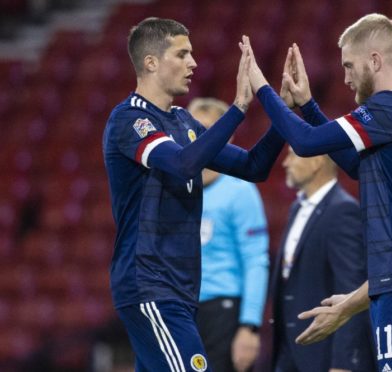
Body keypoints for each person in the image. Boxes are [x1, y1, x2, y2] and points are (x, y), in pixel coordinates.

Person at [243, 12, 392, 372]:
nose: (344, 77)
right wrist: (308, 106)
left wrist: (262, 89)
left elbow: (306, 143)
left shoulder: (391, 106)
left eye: (349, 65)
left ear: (375, 59)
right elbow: (360, 166)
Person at [102, 17, 284, 372]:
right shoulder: (129, 120)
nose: (193, 63)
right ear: (151, 62)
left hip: (181, 290)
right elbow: (184, 164)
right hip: (150, 284)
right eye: (182, 54)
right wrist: (238, 108)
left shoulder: (183, 122)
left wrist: (283, 111)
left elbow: (253, 167)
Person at [270, 146, 376, 372]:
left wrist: (344, 363)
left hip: (323, 356)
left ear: (317, 161)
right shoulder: (296, 207)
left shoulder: (343, 210)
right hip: (290, 351)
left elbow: (351, 289)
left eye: (291, 155)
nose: (285, 163)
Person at [187, 98, 269, 372]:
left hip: (223, 312)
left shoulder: (240, 191)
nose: (198, 137)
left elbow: (256, 260)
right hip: (183, 311)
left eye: (208, 130)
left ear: (226, 137)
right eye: (193, 128)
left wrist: (249, 326)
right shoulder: (178, 187)